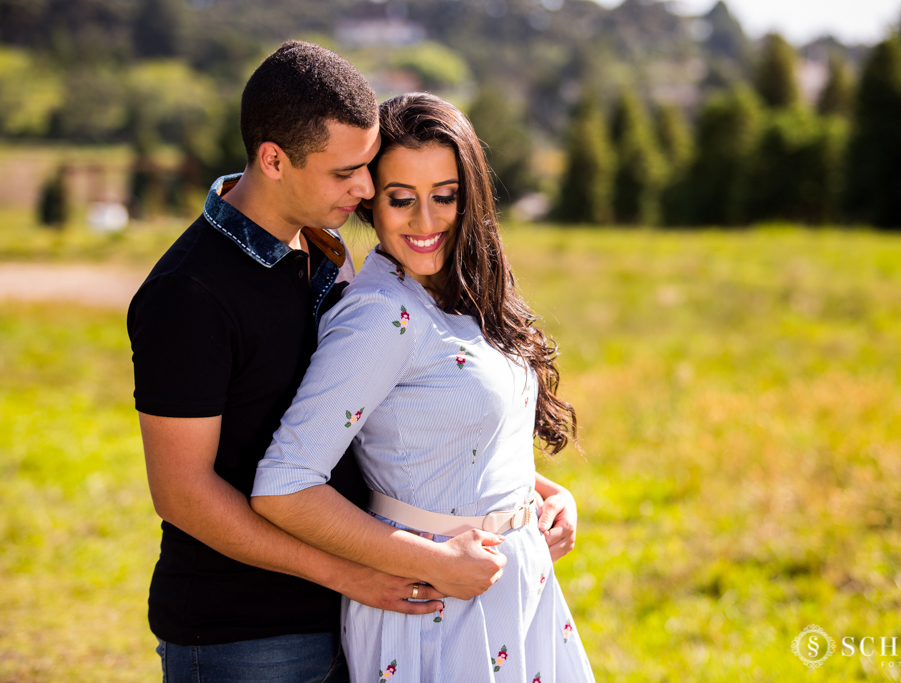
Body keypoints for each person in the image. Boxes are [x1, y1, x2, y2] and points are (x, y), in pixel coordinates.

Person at [128, 42, 580, 683]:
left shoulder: (325, 254)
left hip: (353, 607)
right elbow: (182, 494)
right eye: (347, 173)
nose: (365, 189)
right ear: (273, 159)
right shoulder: (189, 293)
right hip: (245, 628)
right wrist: (356, 573)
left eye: (367, 168)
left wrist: (524, 499)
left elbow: (389, 412)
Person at [251, 93, 595, 682]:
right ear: (371, 202)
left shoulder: (466, 293)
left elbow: (450, 437)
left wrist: (538, 495)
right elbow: (283, 486)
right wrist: (437, 561)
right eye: (400, 199)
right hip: (435, 610)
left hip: (516, 595)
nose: (426, 221)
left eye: (445, 196)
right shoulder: (382, 316)